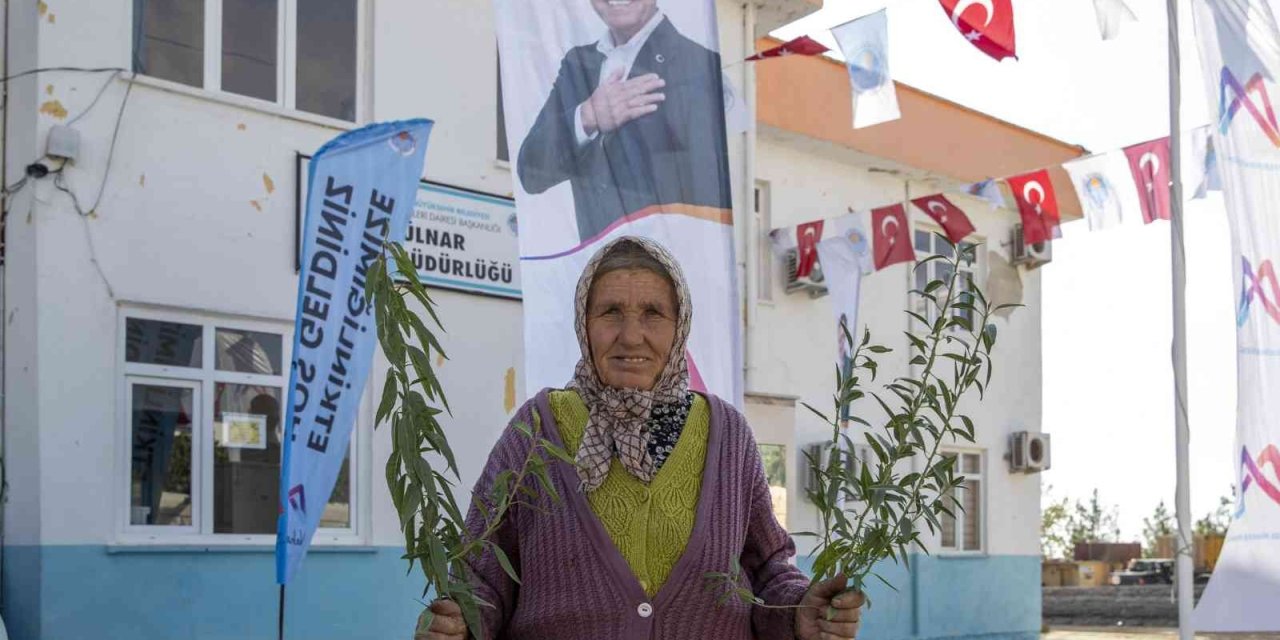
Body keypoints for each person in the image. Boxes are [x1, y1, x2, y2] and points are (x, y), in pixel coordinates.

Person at [416, 236, 864, 639]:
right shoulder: (537, 429)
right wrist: (459, 623)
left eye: (653, 313)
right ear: (584, 324)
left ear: (679, 325)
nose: (631, 336)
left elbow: (768, 569)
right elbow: (482, 574)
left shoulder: (726, 436)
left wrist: (796, 612)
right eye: (610, 312)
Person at [516, 0, 733, 243]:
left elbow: (707, 190)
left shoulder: (699, 65)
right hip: (597, 268)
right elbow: (530, 172)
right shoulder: (578, 63)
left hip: (667, 268)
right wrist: (588, 117)